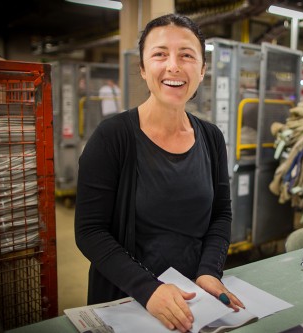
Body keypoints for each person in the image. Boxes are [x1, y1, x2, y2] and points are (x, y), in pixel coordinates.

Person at [74, 13, 243, 333]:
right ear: (142, 68)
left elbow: (221, 214)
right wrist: (148, 289)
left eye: (187, 55)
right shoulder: (112, 137)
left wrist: (209, 272)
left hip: (195, 301)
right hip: (129, 301)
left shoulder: (211, 137)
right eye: (160, 54)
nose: (174, 66)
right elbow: (90, 231)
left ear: (203, 69)